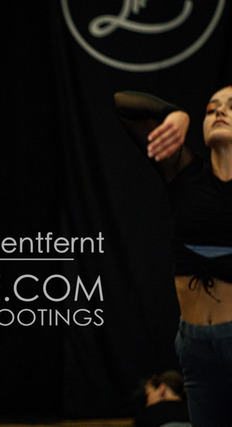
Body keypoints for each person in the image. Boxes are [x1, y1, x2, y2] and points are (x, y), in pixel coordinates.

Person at [114, 86, 232, 426]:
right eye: (211, 108)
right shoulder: (183, 172)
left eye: (230, 106)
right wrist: (173, 113)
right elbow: (123, 103)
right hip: (195, 346)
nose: (219, 112)